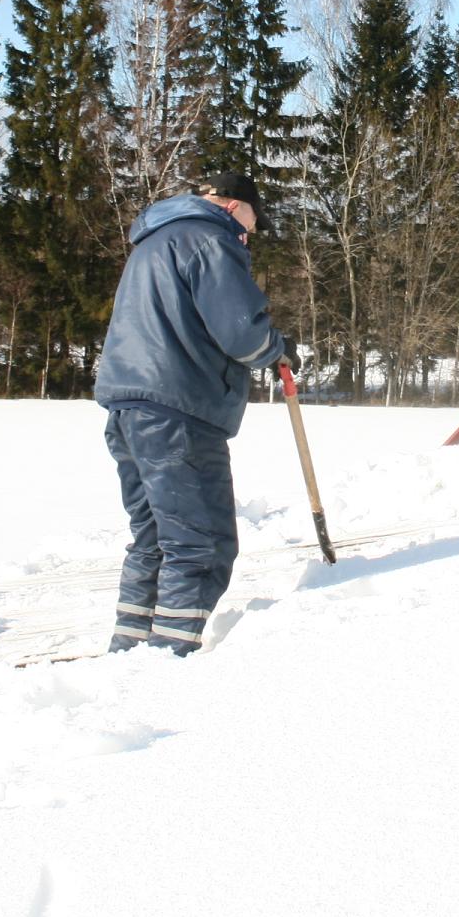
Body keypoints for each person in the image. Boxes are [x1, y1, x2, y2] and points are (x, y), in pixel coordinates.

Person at [94, 170, 298, 654]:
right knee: (200, 542)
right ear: (233, 206)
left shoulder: (154, 240)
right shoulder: (210, 239)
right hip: (179, 405)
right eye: (252, 222)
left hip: (130, 404)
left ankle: (129, 648)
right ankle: (169, 658)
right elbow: (240, 331)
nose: (249, 234)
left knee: (155, 536)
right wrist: (277, 349)